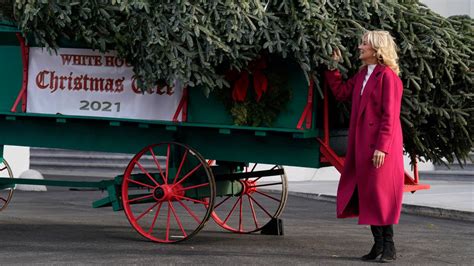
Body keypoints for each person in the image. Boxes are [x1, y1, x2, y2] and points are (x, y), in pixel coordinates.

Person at [325, 30, 404, 263]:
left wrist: (382, 147)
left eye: (364, 44)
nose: (360, 47)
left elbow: (390, 116)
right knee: (368, 193)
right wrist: (332, 66)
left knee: (381, 195)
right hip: (362, 144)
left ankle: (389, 247)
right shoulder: (363, 75)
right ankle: (378, 245)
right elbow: (341, 93)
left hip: (380, 146)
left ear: (377, 50)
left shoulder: (388, 76)